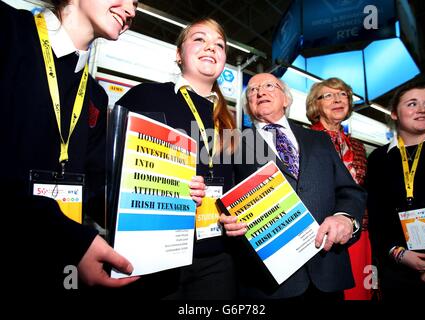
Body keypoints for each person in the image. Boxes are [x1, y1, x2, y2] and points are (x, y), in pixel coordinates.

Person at [0, 0, 141, 291]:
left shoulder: (95, 96)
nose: (130, 10)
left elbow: (96, 185)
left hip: (61, 263)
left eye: (136, 4)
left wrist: (159, 202)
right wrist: (63, 235)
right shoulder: (7, 32)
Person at [116, 18, 237, 299]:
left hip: (216, 258)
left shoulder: (231, 124)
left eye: (219, 44)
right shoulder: (145, 97)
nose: (211, 47)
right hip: (153, 256)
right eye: (199, 39)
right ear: (178, 54)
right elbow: (111, 170)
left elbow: (236, 188)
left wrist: (238, 216)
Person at [220, 73, 366, 300]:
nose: (260, 92)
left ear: (286, 99)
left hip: (327, 272)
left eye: (269, 85)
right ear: (248, 105)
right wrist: (225, 221)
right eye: (252, 90)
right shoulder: (231, 143)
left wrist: (346, 217)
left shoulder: (319, 140)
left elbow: (349, 191)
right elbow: (220, 199)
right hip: (268, 282)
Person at [366, 81, 425, 300]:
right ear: (394, 114)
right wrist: (398, 253)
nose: (422, 109)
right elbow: (376, 217)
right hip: (396, 271)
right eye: (412, 104)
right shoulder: (379, 159)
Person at [305, 78, 373, 300]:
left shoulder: (358, 146)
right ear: (316, 104)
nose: (337, 99)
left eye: (342, 94)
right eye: (328, 95)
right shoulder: (303, 139)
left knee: (359, 294)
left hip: (359, 232)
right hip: (320, 236)